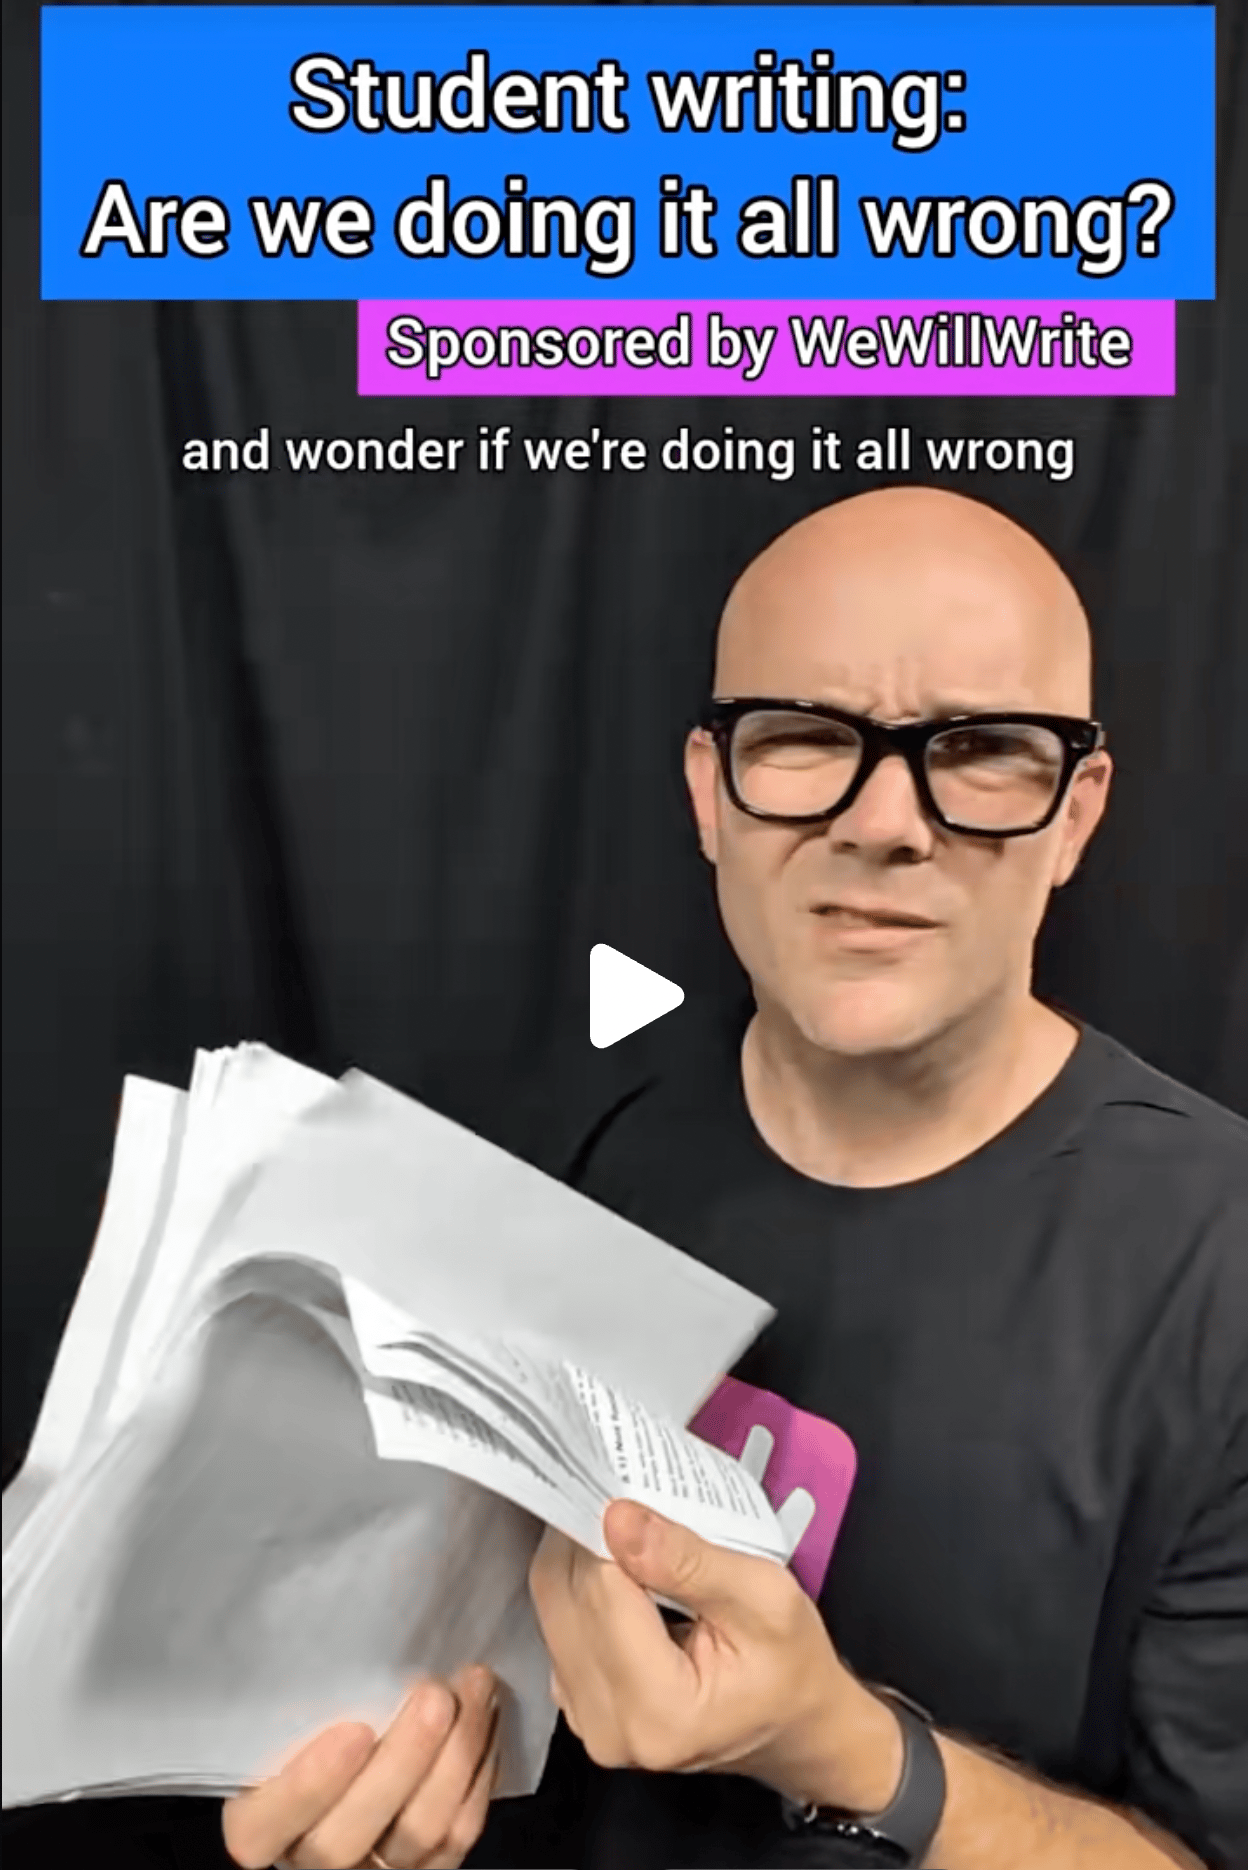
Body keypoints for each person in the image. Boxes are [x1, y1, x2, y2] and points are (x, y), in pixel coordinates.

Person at [222, 488, 1247, 1870]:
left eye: (984, 750)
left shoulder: (1219, 1270)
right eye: (807, 735)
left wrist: (845, 1752)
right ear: (710, 793)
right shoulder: (550, 1163)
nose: (885, 823)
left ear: (1076, 814)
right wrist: (372, 1800)